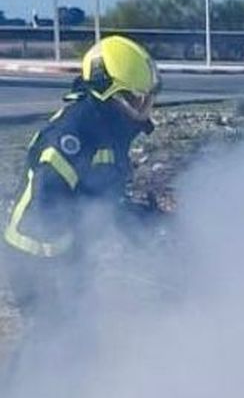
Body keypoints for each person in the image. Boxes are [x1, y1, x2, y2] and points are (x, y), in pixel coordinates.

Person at [2, 35, 160, 315]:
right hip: (35, 254)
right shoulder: (71, 135)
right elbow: (47, 205)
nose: (144, 109)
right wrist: (69, 263)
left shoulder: (109, 129)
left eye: (146, 99)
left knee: (78, 336)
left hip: (68, 253)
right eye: (136, 99)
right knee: (50, 339)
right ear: (111, 94)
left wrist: (140, 220)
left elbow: (98, 194)